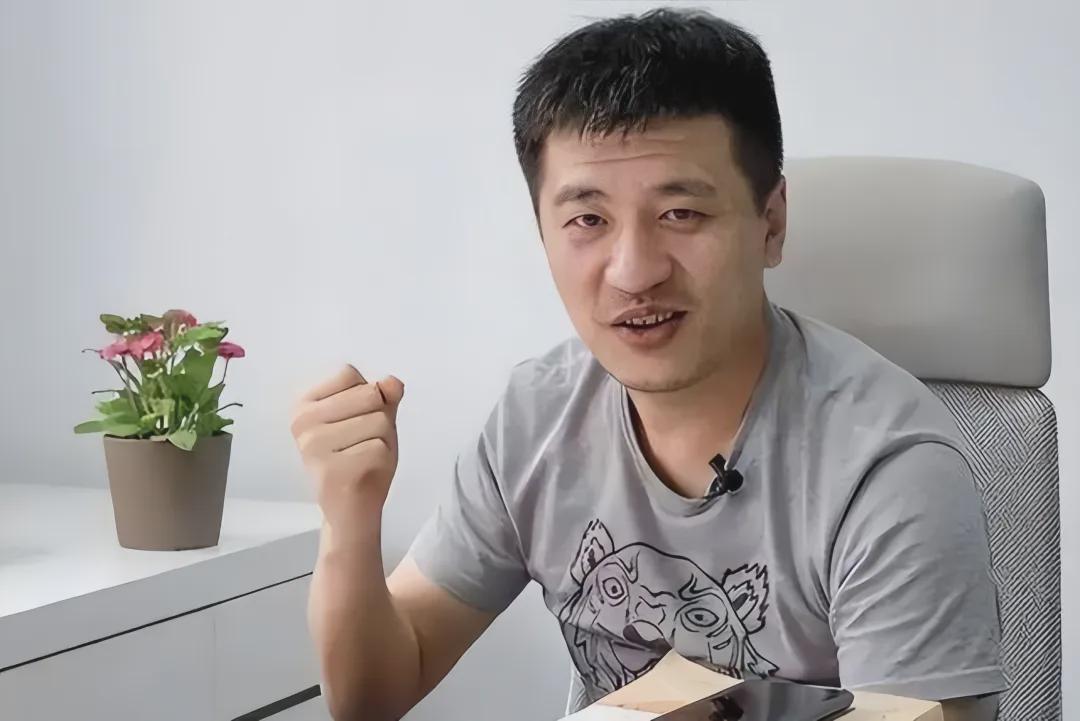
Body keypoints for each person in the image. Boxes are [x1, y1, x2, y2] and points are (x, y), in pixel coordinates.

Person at [290, 9, 1005, 721]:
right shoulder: (536, 419)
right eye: (588, 220)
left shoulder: (885, 467)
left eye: (681, 214)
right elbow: (373, 696)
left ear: (772, 222)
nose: (634, 271)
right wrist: (349, 520)